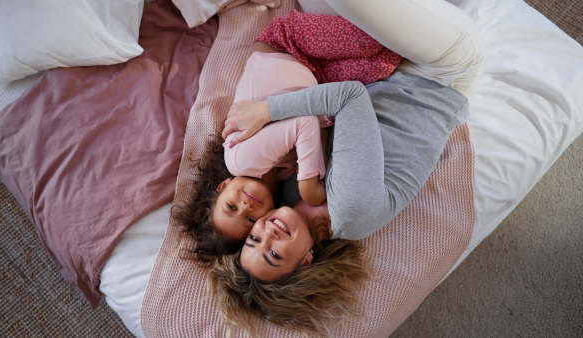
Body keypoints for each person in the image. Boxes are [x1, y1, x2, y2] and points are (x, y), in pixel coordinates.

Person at [210, 0, 484, 335]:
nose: (267, 232)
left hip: (388, 70)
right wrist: (266, 110)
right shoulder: (352, 209)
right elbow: (350, 98)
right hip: (439, 72)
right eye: (274, 255)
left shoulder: (290, 193)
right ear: (307, 261)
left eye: (254, 239)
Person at [174, 11, 402, 262]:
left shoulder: (242, 161)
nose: (246, 207)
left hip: (285, 45)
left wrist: (308, 185)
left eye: (231, 206)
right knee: (387, 62)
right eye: (249, 219)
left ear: (223, 185)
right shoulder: (282, 174)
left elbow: (304, 123)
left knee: (374, 40)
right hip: (317, 76)